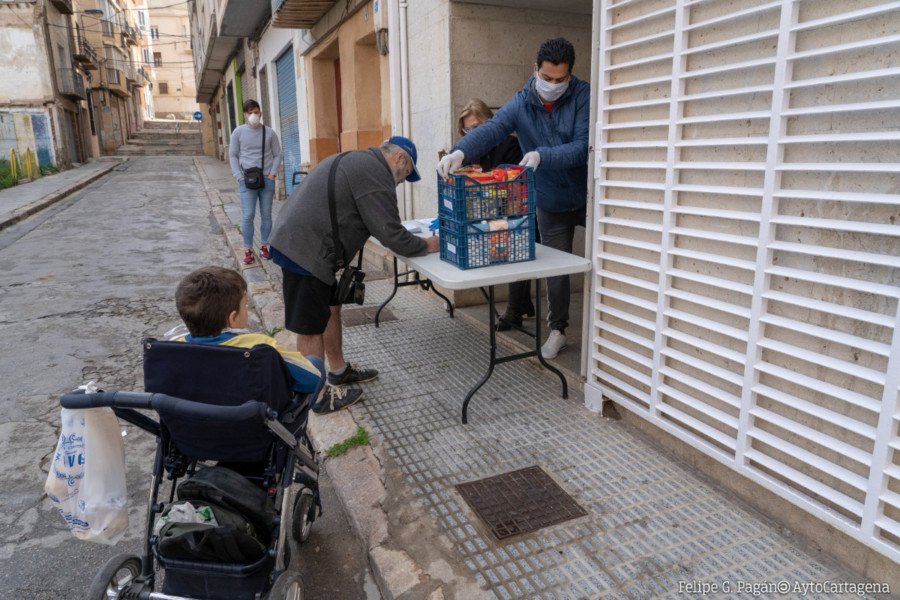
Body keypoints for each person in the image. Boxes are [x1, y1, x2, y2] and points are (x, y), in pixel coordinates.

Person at [438, 38, 589, 359]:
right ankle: (559, 330)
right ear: (535, 70)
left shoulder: (583, 96)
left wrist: (541, 155)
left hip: (590, 195)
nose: (553, 85)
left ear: (570, 75)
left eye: (561, 79)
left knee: (606, 262)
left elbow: (582, 146)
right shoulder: (521, 102)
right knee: (557, 272)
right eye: (547, 78)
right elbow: (493, 128)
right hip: (551, 201)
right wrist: (460, 151)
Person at [269, 137, 440, 411]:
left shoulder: (361, 161)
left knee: (331, 307)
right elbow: (391, 234)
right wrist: (427, 245)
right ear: (400, 159)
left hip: (303, 241)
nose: (400, 182)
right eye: (406, 175)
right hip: (304, 249)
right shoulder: (376, 175)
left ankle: (338, 371)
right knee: (309, 325)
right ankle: (317, 396)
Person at [172, 266, 349, 413]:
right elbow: (312, 379)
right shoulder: (260, 347)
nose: (246, 309)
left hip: (195, 433)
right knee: (314, 363)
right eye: (245, 305)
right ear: (233, 319)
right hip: (254, 431)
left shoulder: (173, 348)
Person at [456, 98, 538, 332]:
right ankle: (523, 303)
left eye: (477, 128)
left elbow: (515, 182)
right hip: (487, 211)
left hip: (515, 208)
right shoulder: (467, 151)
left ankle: (514, 312)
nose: (471, 133)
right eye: (467, 129)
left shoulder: (510, 145)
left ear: (490, 124)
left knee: (516, 252)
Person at [229, 99, 283, 265]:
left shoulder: (269, 132)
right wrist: (238, 175)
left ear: (261, 113)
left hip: (267, 180)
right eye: (250, 112)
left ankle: (264, 246)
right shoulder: (238, 132)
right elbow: (233, 155)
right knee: (248, 216)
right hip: (247, 181)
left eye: (256, 112)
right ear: (245, 114)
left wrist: (273, 173)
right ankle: (248, 250)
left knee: (266, 215)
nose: (254, 115)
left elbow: (277, 154)